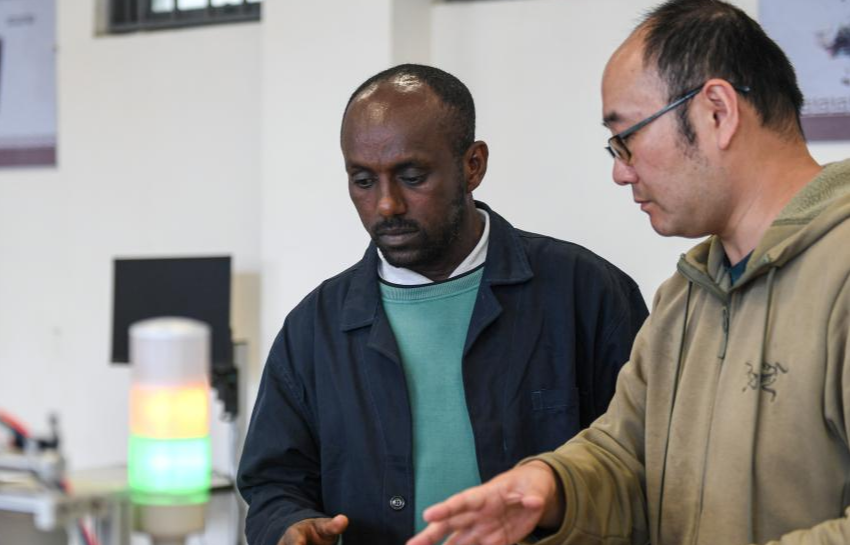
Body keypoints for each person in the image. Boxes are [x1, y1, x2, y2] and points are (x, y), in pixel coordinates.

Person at [408, 0, 850, 545]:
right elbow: (625, 453)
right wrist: (548, 486)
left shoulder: (840, 273)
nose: (620, 172)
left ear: (717, 111)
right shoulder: (686, 300)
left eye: (627, 138)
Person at [237, 64, 649, 545]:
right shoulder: (314, 328)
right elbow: (273, 485)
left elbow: (643, 464)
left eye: (412, 176)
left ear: (473, 165)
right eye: (363, 181)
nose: (386, 204)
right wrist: (290, 527)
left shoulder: (586, 292)